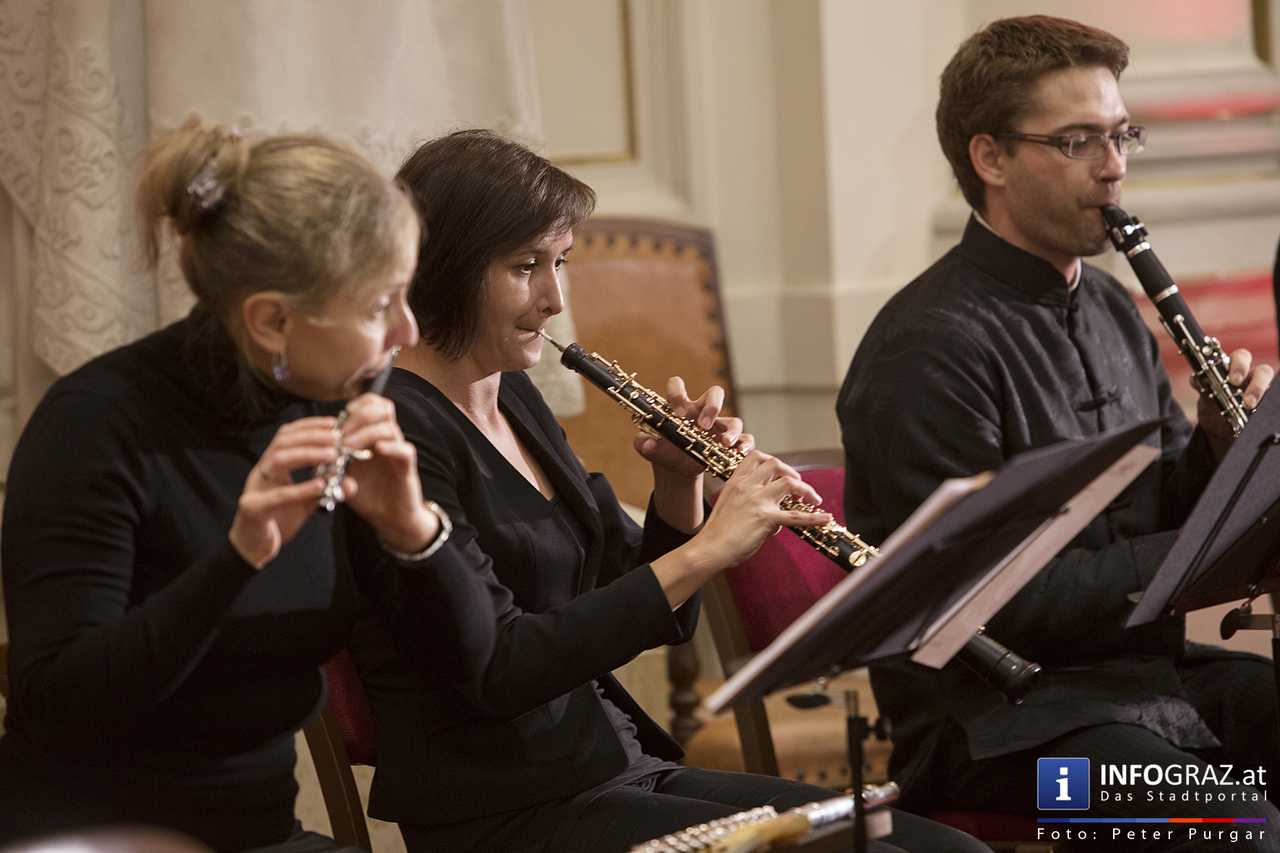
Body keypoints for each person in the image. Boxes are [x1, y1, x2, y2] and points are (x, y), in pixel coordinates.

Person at [346, 129, 991, 853]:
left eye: (560, 262)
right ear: (441, 271)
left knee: (951, 851)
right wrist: (713, 546)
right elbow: (502, 665)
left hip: (612, 764)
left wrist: (678, 485)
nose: (554, 298)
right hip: (506, 809)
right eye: (526, 266)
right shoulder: (396, 432)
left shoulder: (518, 399)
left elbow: (641, 604)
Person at [837, 15, 1279, 851]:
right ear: (990, 158)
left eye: (1120, 136)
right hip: (999, 732)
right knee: (1235, 829)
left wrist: (1222, 452)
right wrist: (1198, 549)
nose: (1114, 168)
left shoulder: (1114, 305)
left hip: (1144, 683)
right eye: (1078, 142)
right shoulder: (925, 349)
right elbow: (997, 604)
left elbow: (1149, 514)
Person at [0, 119, 494, 851]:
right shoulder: (95, 425)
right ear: (271, 321)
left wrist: (413, 531)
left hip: (261, 834)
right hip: (92, 836)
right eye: (379, 305)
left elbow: (469, 669)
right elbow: (59, 703)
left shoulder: (336, 404)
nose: (408, 332)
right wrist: (234, 561)